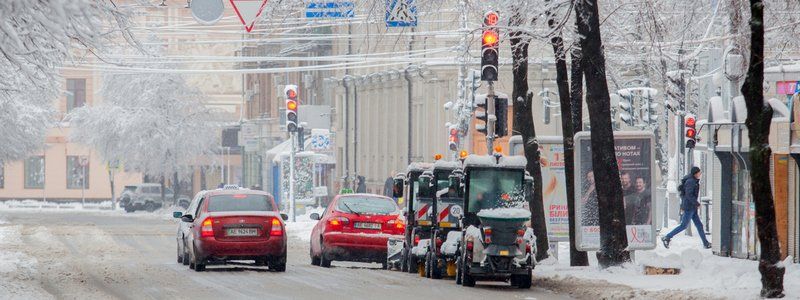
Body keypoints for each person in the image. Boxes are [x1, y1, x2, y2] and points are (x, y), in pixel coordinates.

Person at [661, 167, 710, 249]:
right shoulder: (690, 182)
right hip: (689, 207)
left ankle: (706, 243)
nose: (700, 174)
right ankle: (667, 237)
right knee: (683, 225)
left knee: (699, 225)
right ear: (695, 173)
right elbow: (689, 195)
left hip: (692, 207)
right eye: (699, 173)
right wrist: (696, 203)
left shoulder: (693, 180)